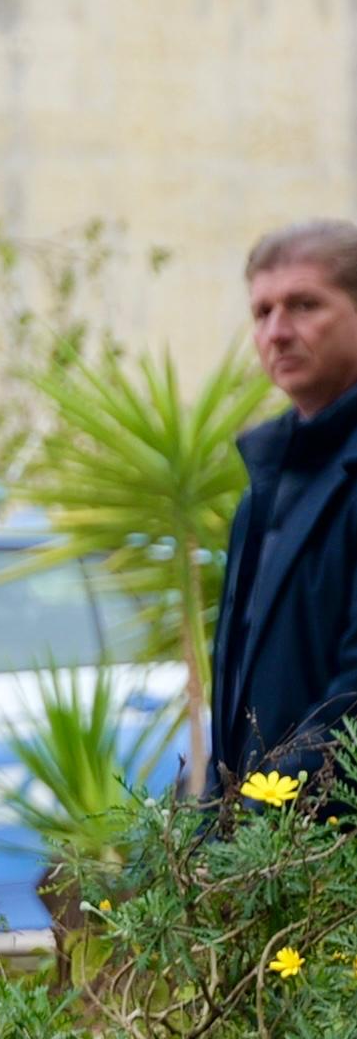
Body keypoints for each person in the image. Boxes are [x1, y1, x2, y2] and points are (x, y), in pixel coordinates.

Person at [213, 219, 357, 790]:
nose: (277, 331)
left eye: (304, 305)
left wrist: (260, 817)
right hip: (265, 851)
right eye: (262, 312)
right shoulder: (267, 478)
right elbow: (238, 696)